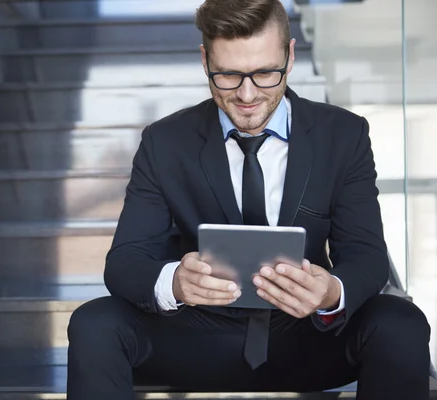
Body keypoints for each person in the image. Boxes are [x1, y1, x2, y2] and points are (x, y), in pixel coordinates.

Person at [66, 0, 431, 398]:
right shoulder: (164, 142)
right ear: (205, 60)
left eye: (264, 73)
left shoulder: (344, 135)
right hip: (198, 337)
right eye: (228, 75)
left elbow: (367, 255)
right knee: (94, 323)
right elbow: (125, 262)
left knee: (401, 322)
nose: (247, 94)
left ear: (290, 57)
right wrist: (175, 282)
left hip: (307, 338)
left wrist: (330, 293)